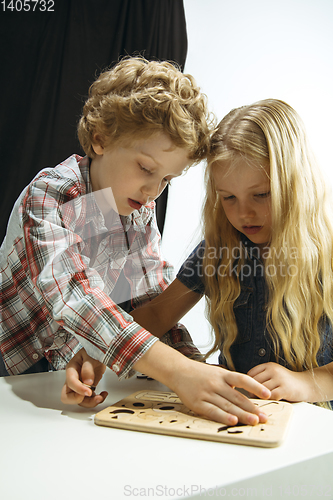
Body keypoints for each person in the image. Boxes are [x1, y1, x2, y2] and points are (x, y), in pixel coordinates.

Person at [0, 56, 271, 426]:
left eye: (166, 180)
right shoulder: (49, 196)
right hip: (10, 369)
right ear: (100, 139)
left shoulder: (138, 209)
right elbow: (76, 299)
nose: (152, 190)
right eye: (145, 168)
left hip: (58, 374)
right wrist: (179, 372)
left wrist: (198, 371)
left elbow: (151, 303)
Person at [64, 98, 333, 417]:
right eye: (229, 198)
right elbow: (155, 316)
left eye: (261, 195)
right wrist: (98, 351)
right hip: (236, 419)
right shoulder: (218, 251)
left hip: (313, 431)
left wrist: (306, 382)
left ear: (295, 184)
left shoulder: (326, 256)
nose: (243, 213)